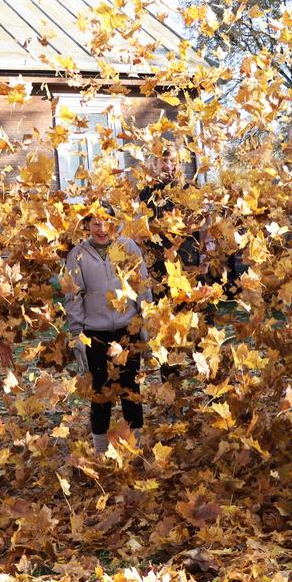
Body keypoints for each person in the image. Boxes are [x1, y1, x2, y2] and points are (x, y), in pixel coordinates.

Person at [63, 203, 152, 455]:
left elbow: (142, 286)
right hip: (96, 333)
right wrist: (77, 333)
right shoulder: (78, 254)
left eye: (107, 223)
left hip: (127, 328)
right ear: (87, 226)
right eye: (95, 223)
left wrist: (146, 323)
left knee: (130, 389)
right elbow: (73, 296)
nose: (102, 229)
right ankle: (101, 452)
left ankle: (134, 449)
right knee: (100, 392)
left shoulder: (127, 247)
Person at [138, 140, 201, 384]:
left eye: (172, 160)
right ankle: (170, 385)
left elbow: (197, 229)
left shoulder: (188, 189)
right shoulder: (146, 193)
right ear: (154, 163)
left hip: (186, 268)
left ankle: (199, 384)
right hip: (160, 271)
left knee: (191, 327)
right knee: (165, 329)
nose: (168, 164)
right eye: (163, 160)